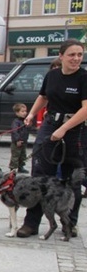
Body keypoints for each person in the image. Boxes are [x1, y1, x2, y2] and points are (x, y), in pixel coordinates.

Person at [17, 39, 87, 239]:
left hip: (75, 130)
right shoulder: (52, 75)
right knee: (39, 177)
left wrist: (64, 129)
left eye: (79, 55)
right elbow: (43, 97)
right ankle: (31, 224)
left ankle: (69, 223)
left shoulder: (83, 78)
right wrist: (31, 114)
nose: (76, 59)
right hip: (49, 126)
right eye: (72, 55)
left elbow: (85, 109)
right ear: (61, 56)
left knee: (71, 179)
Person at [36, 58, 63, 128]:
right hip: (50, 116)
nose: (56, 68)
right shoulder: (49, 78)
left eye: (59, 66)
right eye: (54, 66)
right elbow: (43, 97)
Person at [9, 103, 30, 174]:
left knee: (23, 156)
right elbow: (14, 132)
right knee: (15, 156)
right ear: (17, 113)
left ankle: (21, 167)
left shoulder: (24, 121)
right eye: (22, 111)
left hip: (24, 142)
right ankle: (13, 169)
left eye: (25, 111)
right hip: (17, 143)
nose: (25, 113)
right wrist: (17, 140)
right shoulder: (16, 122)